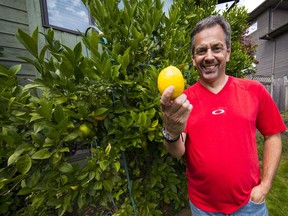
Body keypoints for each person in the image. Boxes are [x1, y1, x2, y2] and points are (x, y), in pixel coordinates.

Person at [160, 15, 286, 215]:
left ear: (227, 53)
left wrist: (266, 185)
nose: (209, 56)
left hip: (249, 206)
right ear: (194, 59)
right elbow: (177, 151)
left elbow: (273, 135)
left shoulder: (254, 90)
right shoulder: (183, 101)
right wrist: (171, 131)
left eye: (216, 48)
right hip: (203, 208)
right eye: (201, 51)